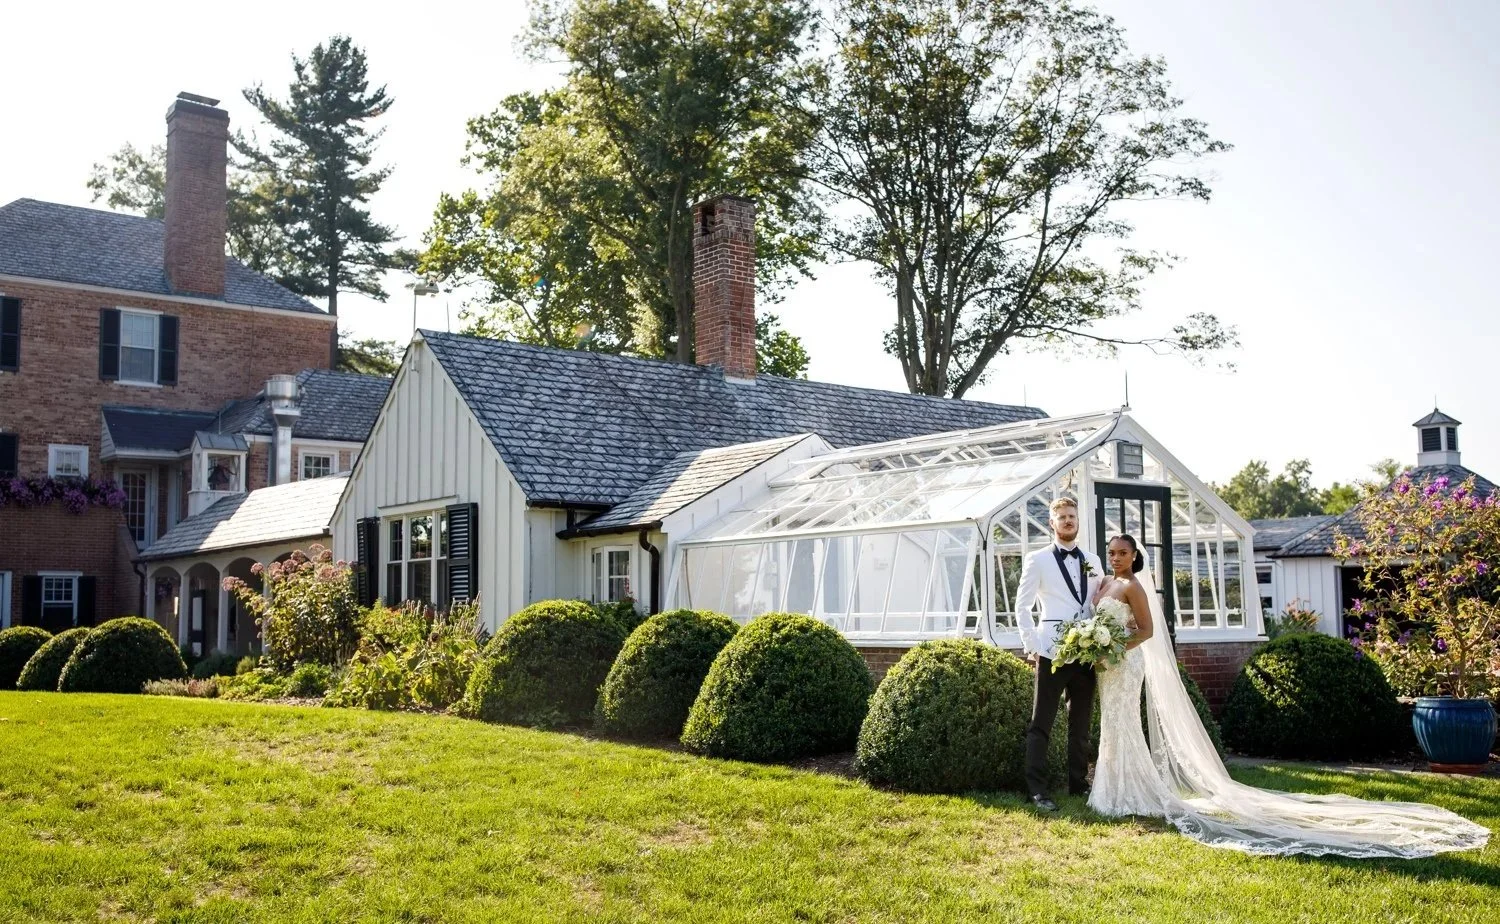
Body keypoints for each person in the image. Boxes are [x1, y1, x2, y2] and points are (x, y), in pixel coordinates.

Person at [1089, 533, 1490, 858]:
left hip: (1126, 665)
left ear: (1134, 556)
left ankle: (1129, 791)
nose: (1117, 557)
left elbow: (1146, 632)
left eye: (1123, 552)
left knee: (1124, 723)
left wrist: (1112, 648)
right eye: (1112, 552)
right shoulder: (1106, 582)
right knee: (1112, 723)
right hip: (1107, 667)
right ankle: (1111, 787)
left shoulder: (1134, 587)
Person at [1013, 496, 1103, 812]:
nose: (1067, 521)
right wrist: (1033, 645)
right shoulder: (1037, 559)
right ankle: (1037, 790)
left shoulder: (1093, 559)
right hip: (1051, 651)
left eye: (1072, 516)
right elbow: (1021, 606)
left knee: (1081, 725)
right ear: (1052, 522)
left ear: (1078, 521)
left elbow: (1098, 603)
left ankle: (1078, 784)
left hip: (1088, 652)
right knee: (1042, 722)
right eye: (1062, 516)